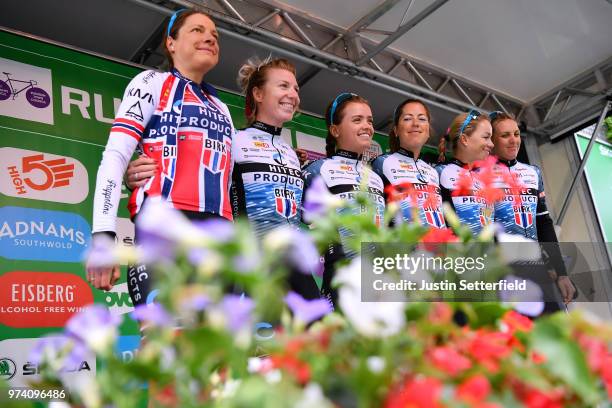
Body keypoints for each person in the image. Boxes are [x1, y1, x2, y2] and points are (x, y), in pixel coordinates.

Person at [86, 9, 234, 303]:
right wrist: (103, 236)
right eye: (197, 30)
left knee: (216, 347)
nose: (209, 37)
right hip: (163, 227)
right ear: (171, 42)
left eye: (214, 35)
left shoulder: (222, 106)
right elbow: (115, 156)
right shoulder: (151, 82)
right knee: (165, 344)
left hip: (220, 238)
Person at [302, 93, 385, 303]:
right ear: (335, 130)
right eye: (357, 120)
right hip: (341, 279)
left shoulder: (375, 177)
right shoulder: (318, 170)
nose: (367, 125)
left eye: (369, 120)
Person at [489, 111, 576, 305]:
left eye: (516, 134)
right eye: (505, 135)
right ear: (491, 140)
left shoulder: (532, 172)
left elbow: (544, 224)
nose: (513, 140)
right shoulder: (481, 175)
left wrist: (561, 273)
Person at [371, 99, 445, 228]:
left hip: (435, 247)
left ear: (428, 131)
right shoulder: (382, 163)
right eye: (407, 119)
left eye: (422, 119)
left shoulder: (433, 172)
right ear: (396, 130)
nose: (416, 123)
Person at [436, 110, 494, 236]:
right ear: (464, 139)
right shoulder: (440, 173)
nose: (492, 144)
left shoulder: (483, 179)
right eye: (486, 137)